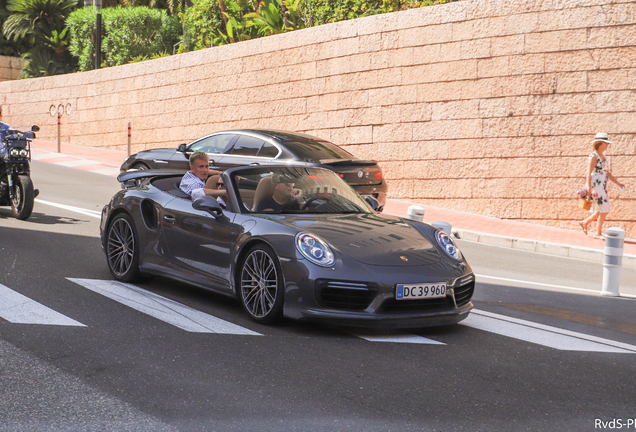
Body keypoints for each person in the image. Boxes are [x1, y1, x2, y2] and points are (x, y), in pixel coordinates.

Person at [579, 133, 625, 239]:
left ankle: (586, 223)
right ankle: (596, 231)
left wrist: (618, 183)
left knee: (601, 210)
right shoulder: (593, 156)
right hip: (596, 186)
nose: (607, 145)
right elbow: (588, 172)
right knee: (603, 209)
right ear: (601, 143)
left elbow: (607, 173)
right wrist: (589, 187)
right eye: (606, 143)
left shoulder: (603, 157)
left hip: (602, 187)